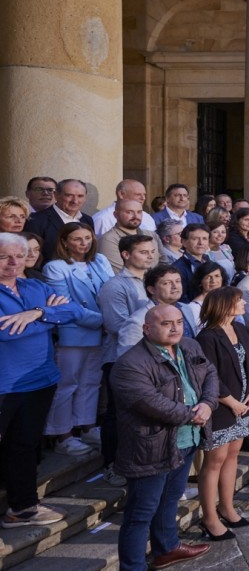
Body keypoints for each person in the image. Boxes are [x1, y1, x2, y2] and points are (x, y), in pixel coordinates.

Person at [112, 303, 217, 570]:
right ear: (147, 329)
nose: (175, 328)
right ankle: (133, 566)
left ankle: (167, 548)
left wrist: (207, 403)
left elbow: (210, 374)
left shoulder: (190, 346)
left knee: (170, 499)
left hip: (187, 439)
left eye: (179, 322)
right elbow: (150, 402)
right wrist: (192, 414)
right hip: (152, 446)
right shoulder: (130, 364)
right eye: (166, 323)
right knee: (140, 513)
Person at [0, 233, 84, 529]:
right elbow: (7, 331)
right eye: (4, 257)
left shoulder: (34, 286)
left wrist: (37, 313)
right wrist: (48, 316)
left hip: (40, 380)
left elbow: (75, 311)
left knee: (24, 446)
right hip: (4, 385)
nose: (13, 263)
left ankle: (22, 509)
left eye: (19, 256)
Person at [42, 223, 113, 455]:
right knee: (67, 384)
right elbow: (66, 306)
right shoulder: (56, 267)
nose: (84, 243)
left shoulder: (100, 260)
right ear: (64, 242)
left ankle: (87, 426)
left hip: (101, 333)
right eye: (77, 239)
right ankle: (63, 435)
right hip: (73, 334)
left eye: (87, 238)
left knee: (91, 382)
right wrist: (103, 320)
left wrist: (107, 320)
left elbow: (110, 290)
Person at [195, 287, 249, 541]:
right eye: (238, 300)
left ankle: (227, 506)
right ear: (224, 304)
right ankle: (209, 517)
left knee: (233, 454)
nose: (243, 303)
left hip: (243, 403)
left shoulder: (240, 328)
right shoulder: (207, 337)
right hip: (221, 407)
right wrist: (231, 402)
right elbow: (209, 375)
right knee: (215, 460)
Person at [97, 235, 157, 485]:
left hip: (153, 355)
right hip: (120, 358)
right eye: (143, 252)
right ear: (125, 254)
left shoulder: (153, 280)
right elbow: (116, 325)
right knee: (116, 413)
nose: (150, 256)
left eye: (151, 251)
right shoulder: (115, 286)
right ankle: (111, 464)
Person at [25, 179, 94, 257]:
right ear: (56, 195)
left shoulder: (88, 220)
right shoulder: (36, 220)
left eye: (80, 196)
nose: (75, 201)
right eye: (69, 195)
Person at [99, 199, 159, 274]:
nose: (136, 216)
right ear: (116, 215)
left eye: (139, 212)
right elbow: (123, 272)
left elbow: (164, 262)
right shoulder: (108, 240)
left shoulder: (152, 235)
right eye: (129, 212)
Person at [172, 224, 213, 302]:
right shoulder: (177, 268)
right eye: (195, 239)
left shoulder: (209, 262)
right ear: (184, 242)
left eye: (204, 239)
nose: (201, 243)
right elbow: (181, 300)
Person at [183, 262, 227, 329]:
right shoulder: (193, 307)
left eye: (217, 276)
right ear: (200, 282)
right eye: (208, 277)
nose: (213, 281)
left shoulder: (227, 300)